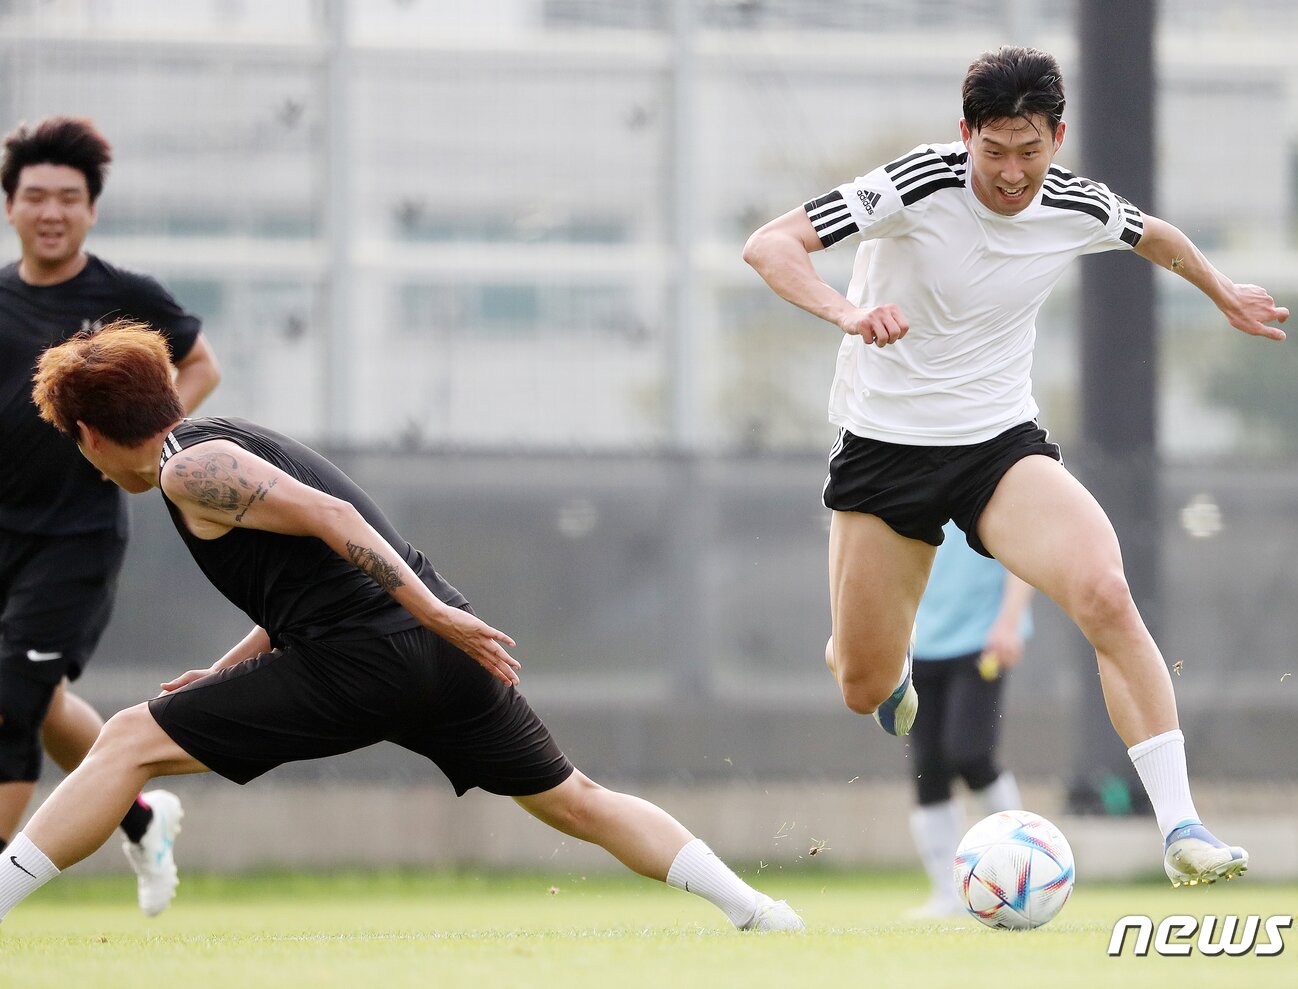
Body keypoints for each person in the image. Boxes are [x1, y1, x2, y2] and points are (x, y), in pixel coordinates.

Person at [0, 320, 803, 934]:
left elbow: (330, 514)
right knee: (578, 800)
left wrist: (428, 608)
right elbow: (307, 586)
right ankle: (755, 909)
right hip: (438, 655)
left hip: (374, 654)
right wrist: (225, 674)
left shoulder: (188, 467)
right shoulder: (222, 443)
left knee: (127, 740)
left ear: (91, 436)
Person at [742, 46, 1288, 888]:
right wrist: (846, 310)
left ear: (1057, 138)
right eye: (993, 150)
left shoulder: (1074, 200)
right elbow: (771, 245)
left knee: (1105, 590)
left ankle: (1182, 825)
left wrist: (1224, 292)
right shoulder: (918, 182)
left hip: (997, 444)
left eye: (1029, 151)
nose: (1009, 172)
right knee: (862, 683)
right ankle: (884, 666)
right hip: (885, 448)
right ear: (965, 135)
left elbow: (1160, 238)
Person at [0, 116, 220, 916]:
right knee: (33, 691)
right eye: (35, 196)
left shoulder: (122, 297)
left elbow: (200, 364)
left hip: (76, 535)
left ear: (91, 209)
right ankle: (140, 813)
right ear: (11, 207)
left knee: (11, 697)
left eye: (68, 196)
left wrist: (152, 449)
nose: (51, 210)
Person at [904, 524, 1032, 917]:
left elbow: (1022, 554)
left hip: (982, 639)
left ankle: (1024, 870)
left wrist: (1009, 622)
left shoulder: (986, 472)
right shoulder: (904, 478)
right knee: (928, 768)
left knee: (970, 754)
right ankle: (948, 892)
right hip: (918, 643)